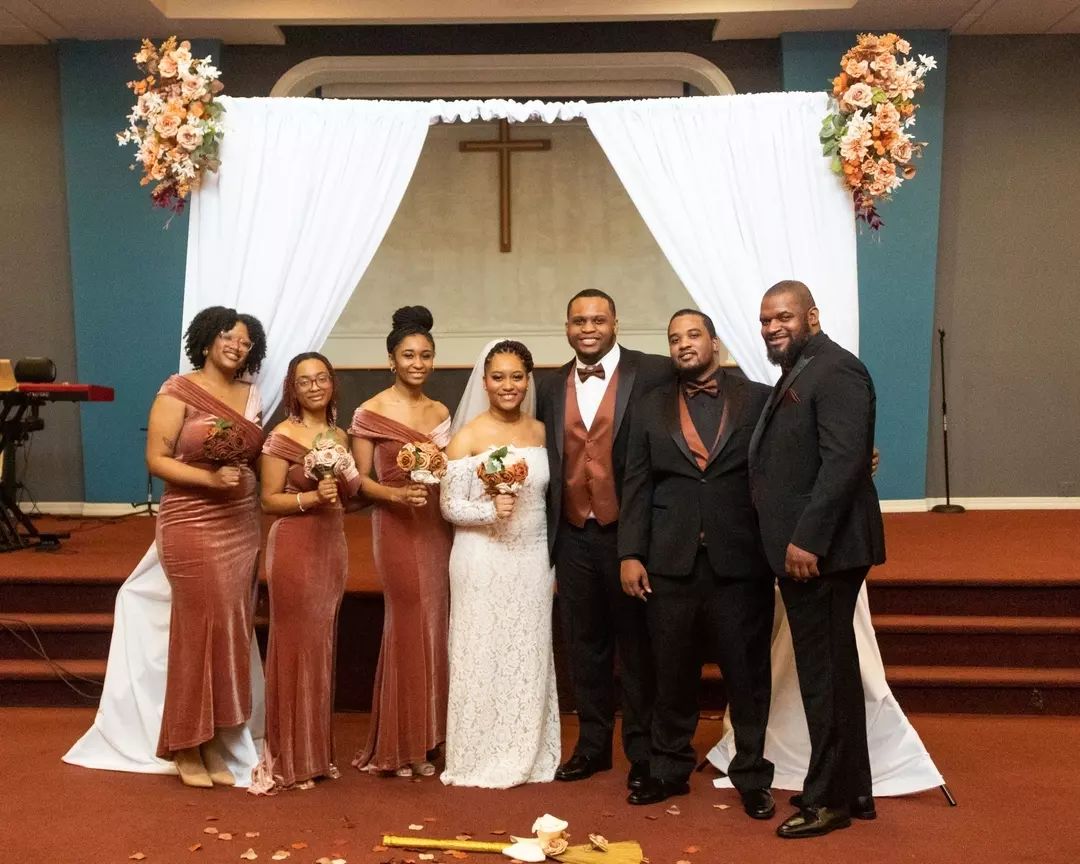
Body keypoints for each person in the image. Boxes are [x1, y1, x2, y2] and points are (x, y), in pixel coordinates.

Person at [618, 309, 776, 817]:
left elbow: (783, 466)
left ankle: (751, 774)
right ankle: (668, 770)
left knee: (747, 676)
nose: (684, 344)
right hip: (669, 561)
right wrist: (630, 553)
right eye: (674, 339)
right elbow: (636, 485)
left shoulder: (757, 398)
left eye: (693, 335)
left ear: (714, 341)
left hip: (740, 560)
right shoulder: (648, 406)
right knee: (671, 673)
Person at [750, 280, 886, 839]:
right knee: (832, 674)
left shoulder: (835, 369)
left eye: (782, 316)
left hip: (822, 555)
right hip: (814, 552)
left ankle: (827, 799)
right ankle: (854, 790)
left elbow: (843, 463)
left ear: (811, 315)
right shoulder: (800, 370)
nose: (772, 327)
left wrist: (808, 539)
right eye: (764, 320)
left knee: (824, 679)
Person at [534, 289, 671, 790]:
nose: (587, 328)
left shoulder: (652, 371)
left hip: (630, 535)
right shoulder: (550, 386)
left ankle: (642, 750)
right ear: (566, 327)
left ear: (615, 322)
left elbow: (714, 396)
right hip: (572, 535)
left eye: (597, 319)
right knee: (583, 645)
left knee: (637, 647)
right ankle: (591, 747)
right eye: (577, 320)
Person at [145, 306, 267, 787]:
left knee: (231, 631)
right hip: (191, 521)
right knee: (198, 629)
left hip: (240, 524)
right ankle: (183, 744)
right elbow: (156, 460)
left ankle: (215, 739)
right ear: (206, 340)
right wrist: (209, 479)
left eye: (244, 341)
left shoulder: (252, 394)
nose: (236, 345)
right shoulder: (177, 389)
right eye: (227, 336)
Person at [439, 340, 559, 788]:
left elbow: (552, 502)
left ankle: (526, 749)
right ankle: (477, 752)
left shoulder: (544, 433)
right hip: (480, 558)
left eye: (516, 377)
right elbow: (449, 506)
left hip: (531, 557)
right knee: (481, 650)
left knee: (527, 652)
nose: (508, 386)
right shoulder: (467, 436)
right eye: (498, 377)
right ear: (484, 381)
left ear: (528, 380)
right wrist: (490, 511)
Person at [250, 352, 361, 794]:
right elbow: (268, 500)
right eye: (304, 381)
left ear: (332, 383)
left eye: (321, 378)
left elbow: (349, 497)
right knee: (294, 646)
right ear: (292, 390)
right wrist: (312, 499)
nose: (314, 386)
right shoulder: (281, 435)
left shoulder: (339, 435)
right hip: (295, 544)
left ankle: (315, 754)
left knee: (321, 645)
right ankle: (290, 757)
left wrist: (345, 488)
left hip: (331, 545)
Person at [349, 306, 453, 778]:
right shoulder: (370, 411)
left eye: (426, 355)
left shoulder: (440, 411)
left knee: (436, 624)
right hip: (395, 523)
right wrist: (395, 493)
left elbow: (448, 472)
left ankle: (431, 736)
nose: (418, 362)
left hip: (435, 525)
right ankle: (401, 742)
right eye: (408, 355)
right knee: (409, 623)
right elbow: (357, 481)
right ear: (391, 359)